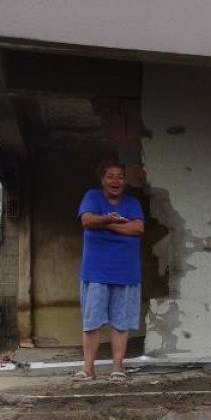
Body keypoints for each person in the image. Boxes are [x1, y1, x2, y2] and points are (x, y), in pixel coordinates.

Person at [75, 160, 146, 381]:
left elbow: (138, 227)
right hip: (96, 272)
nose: (116, 181)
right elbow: (87, 220)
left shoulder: (132, 202)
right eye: (111, 176)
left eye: (120, 177)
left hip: (126, 272)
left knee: (121, 322)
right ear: (102, 180)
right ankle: (88, 369)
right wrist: (108, 219)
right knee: (92, 322)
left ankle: (118, 368)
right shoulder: (92, 197)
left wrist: (107, 225)